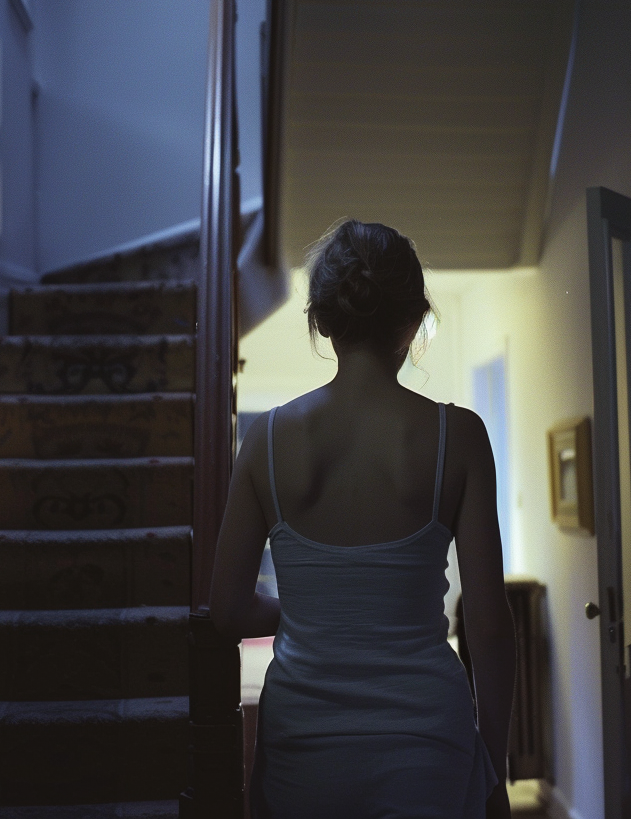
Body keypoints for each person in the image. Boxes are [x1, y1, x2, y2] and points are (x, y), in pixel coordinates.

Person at [211, 219, 516, 819]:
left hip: (303, 751)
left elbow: (226, 611)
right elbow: (489, 624)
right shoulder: (460, 437)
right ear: (412, 322)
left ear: (322, 320)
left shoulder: (266, 441)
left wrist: (313, 608)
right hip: (428, 748)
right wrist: (495, 769)